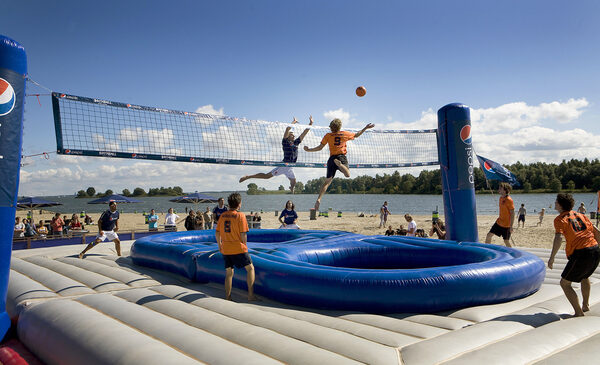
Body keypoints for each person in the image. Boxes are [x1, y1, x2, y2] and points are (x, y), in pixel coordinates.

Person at [303, 118, 375, 210]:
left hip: (331, 159)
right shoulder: (344, 134)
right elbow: (357, 135)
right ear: (339, 127)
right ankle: (340, 165)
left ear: (331, 127)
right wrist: (365, 128)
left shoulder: (328, 135)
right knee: (347, 174)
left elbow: (320, 147)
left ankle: (319, 199)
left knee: (327, 182)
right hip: (340, 157)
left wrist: (308, 150)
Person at [547, 193, 600, 317]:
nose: (554, 203)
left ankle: (578, 312)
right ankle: (585, 305)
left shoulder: (560, 219)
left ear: (560, 205)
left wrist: (552, 258)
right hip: (594, 249)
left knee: (564, 284)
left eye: (556, 202)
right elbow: (596, 231)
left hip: (582, 252)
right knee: (585, 276)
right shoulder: (580, 215)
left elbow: (558, 238)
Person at [239, 116, 313, 193]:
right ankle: (248, 177)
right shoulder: (285, 142)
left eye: (294, 135)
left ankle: (291, 187)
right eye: (292, 135)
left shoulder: (296, 142)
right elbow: (287, 129)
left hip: (291, 166)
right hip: (284, 165)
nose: (294, 136)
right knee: (267, 176)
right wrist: (293, 123)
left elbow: (304, 133)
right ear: (288, 137)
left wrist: (310, 124)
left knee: (294, 182)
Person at [215, 193, 256, 301]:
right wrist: (245, 245)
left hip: (226, 248)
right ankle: (251, 295)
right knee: (250, 269)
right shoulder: (240, 215)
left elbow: (217, 233)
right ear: (239, 204)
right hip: (237, 247)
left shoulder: (223, 215)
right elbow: (243, 234)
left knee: (229, 273)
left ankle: (228, 296)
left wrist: (220, 245)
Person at [485, 182, 515, 247]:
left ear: (505, 190)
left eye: (500, 188)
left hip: (506, 225)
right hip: (499, 222)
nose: (498, 189)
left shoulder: (509, 200)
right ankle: (487, 250)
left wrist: (511, 226)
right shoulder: (500, 198)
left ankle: (512, 253)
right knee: (488, 235)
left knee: (506, 241)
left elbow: (512, 214)